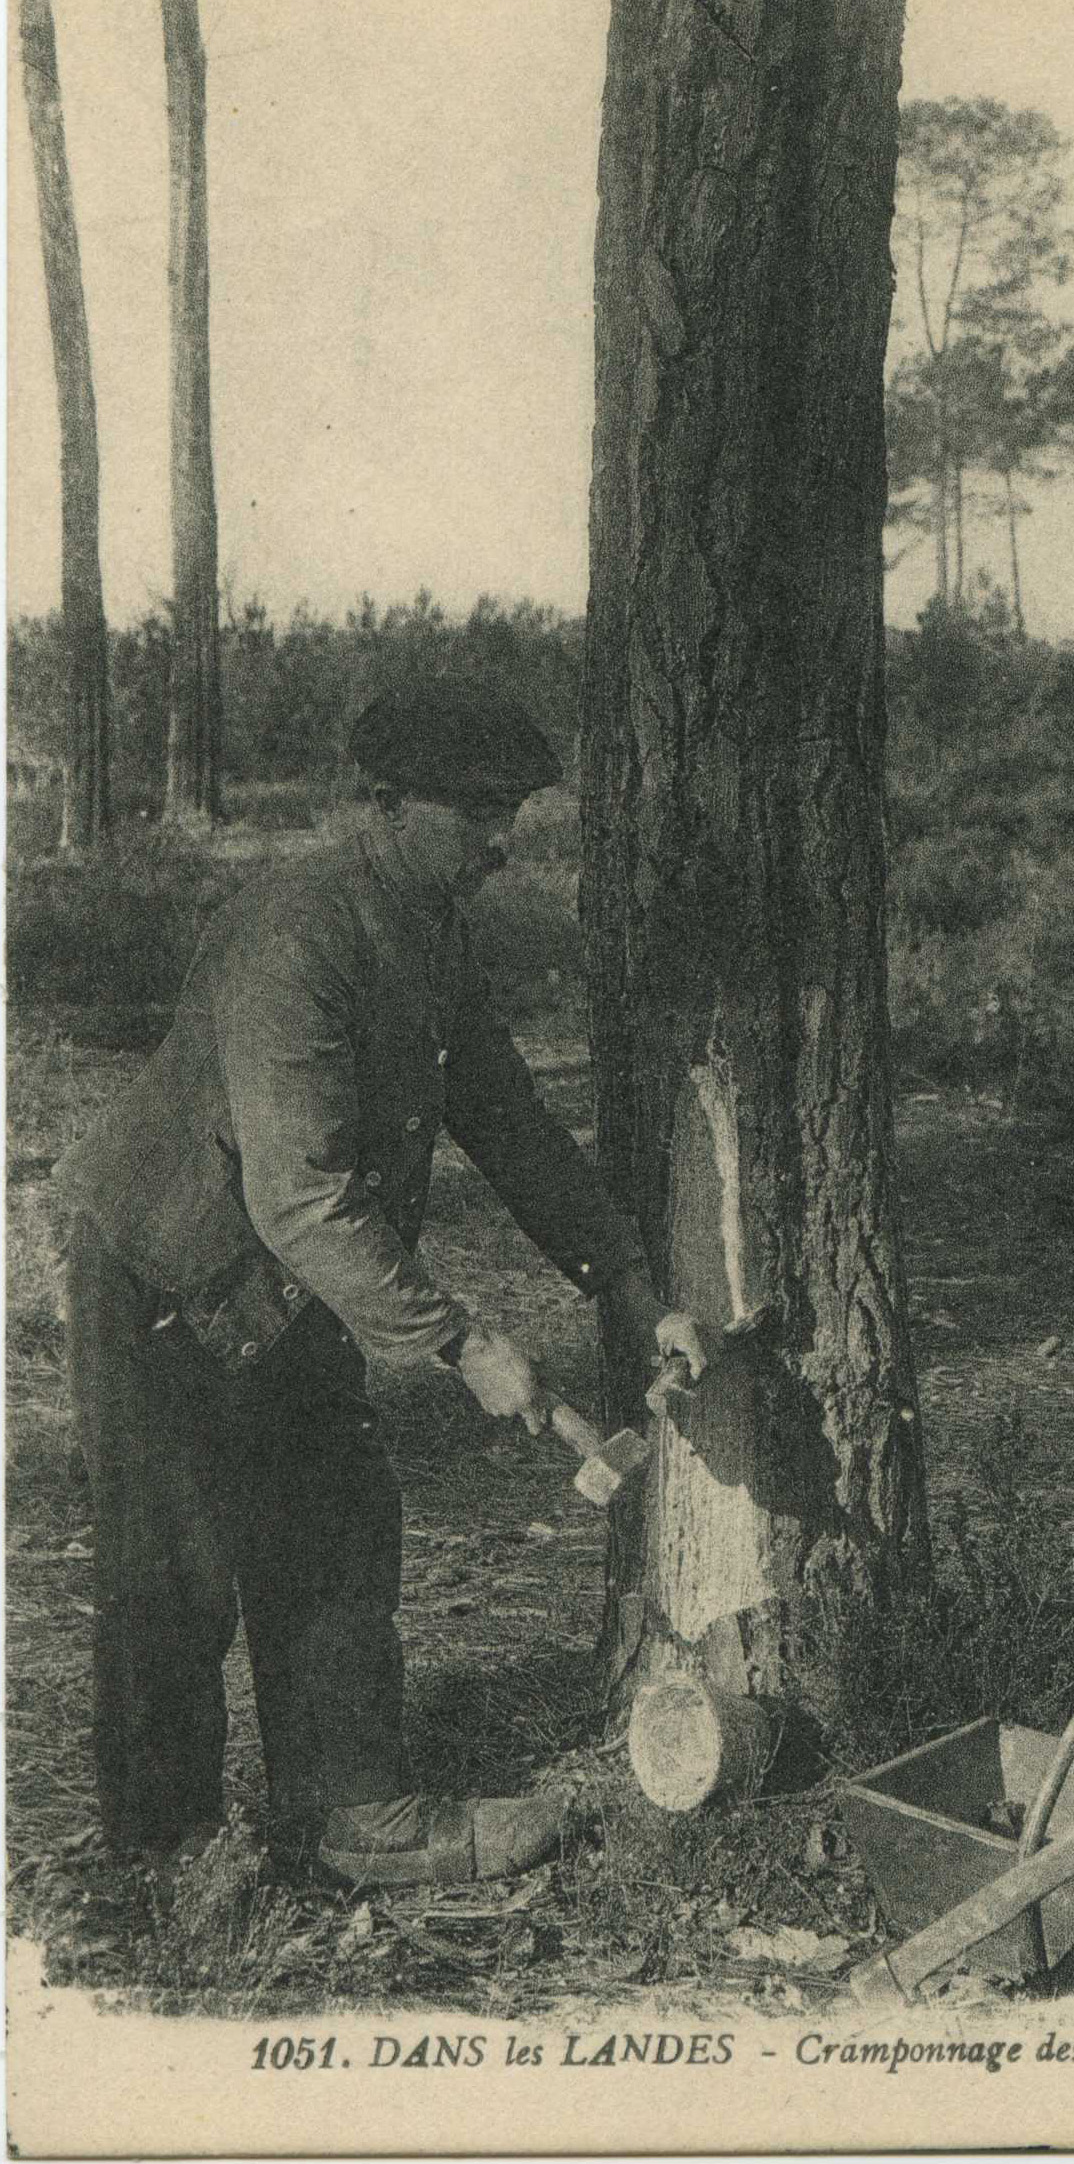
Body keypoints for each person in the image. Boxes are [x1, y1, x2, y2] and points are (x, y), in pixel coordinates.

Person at [53, 668, 706, 1888]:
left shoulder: (430, 936)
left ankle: (361, 1820)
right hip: (165, 1272)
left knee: (341, 1536)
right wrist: (460, 1342)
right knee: (171, 1580)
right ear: (387, 804)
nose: (501, 843)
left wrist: (623, 1282)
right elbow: (296, 1194)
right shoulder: (295, 938)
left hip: (296, 1276)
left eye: (509, 812)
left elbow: (508, 1121)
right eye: (477, 815)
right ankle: (168, 1858)